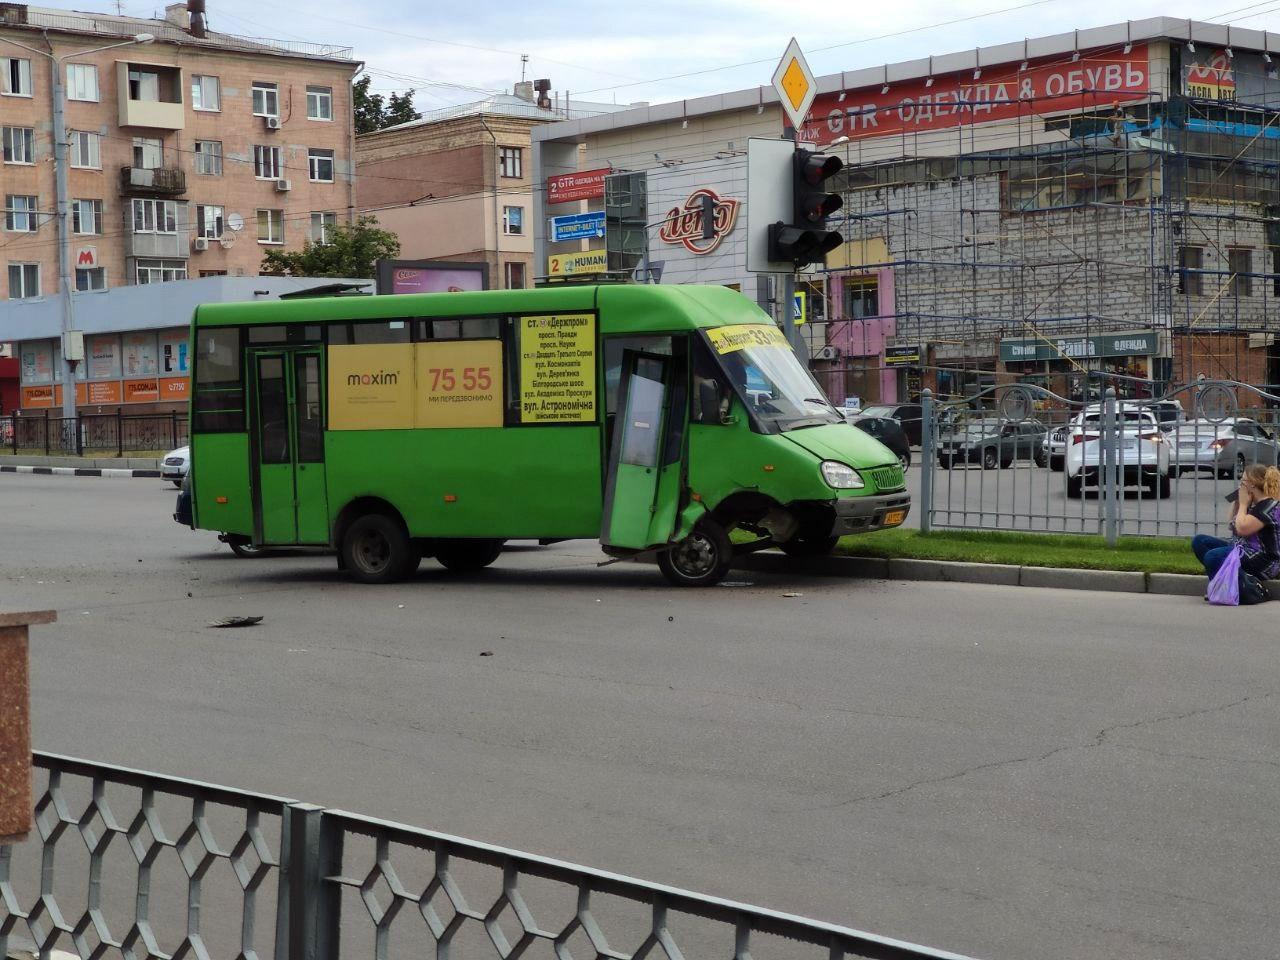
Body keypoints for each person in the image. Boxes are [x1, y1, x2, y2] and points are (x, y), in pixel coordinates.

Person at [1191, 464, 1280, 589]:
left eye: (1243, 481)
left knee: (1213, 556)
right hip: (1244, 550)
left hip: (1264, 561)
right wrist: (1238, 501)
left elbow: (1242, 529)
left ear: (1252, 484)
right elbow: (1232, 524)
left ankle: (1245, 587)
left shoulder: (1269, 507)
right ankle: (1223, 585)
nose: (1240, 484)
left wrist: (1243, 504)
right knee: (1200, 541)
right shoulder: (1253, 504)